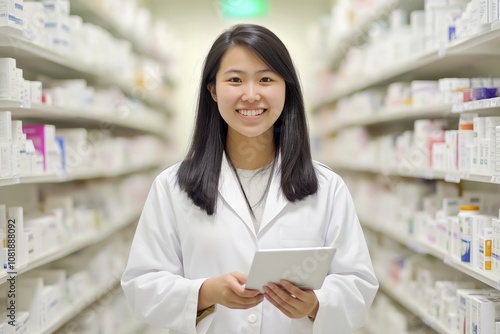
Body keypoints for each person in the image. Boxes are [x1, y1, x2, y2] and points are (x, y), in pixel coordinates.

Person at [121, 23, 378, 334]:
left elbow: (358, 284)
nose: (251, 95)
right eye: (235, 80)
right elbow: (142, 284)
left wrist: (316, 304)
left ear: (287, 89)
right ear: (213, 90)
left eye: (266, 79)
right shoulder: (172, 187)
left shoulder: (327, 187)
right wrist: (205, 293)